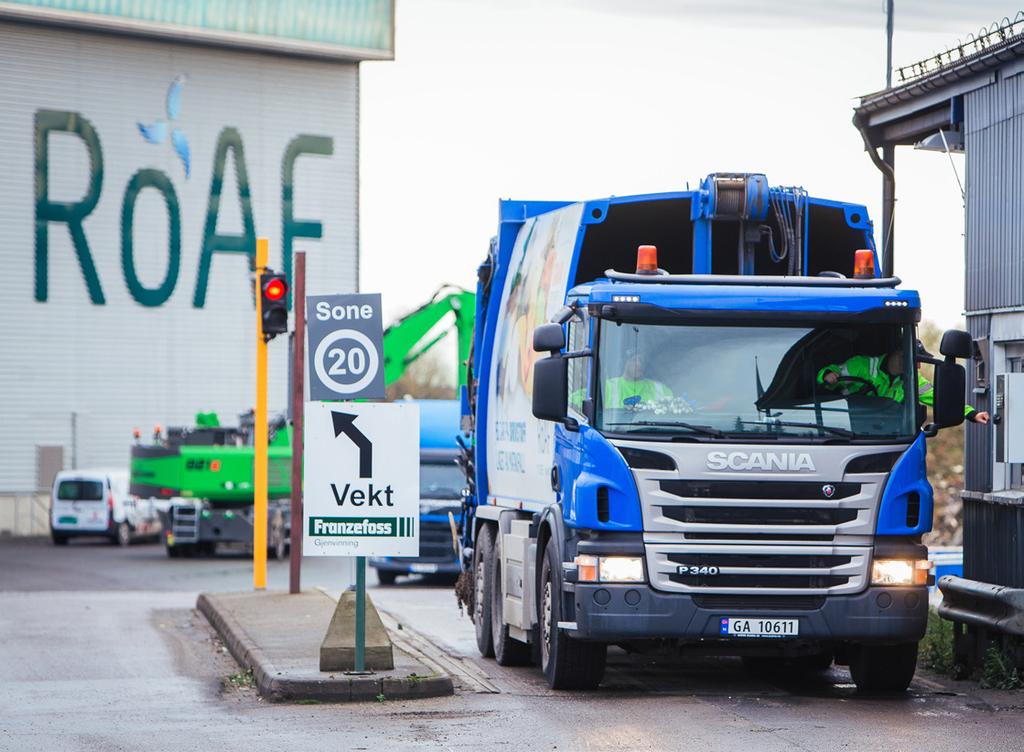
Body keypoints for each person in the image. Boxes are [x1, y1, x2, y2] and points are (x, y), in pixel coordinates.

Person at [817, 347, 990, 424]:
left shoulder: (912, 380)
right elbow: (832, 375)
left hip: (886, 434)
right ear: (899, 353)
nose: (917, 367)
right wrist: (827, 375)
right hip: (849, 427)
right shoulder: (861, 365)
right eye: (916, 361)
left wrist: (972, 413)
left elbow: (939, 399)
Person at [604, 350, 673, 408]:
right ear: (624, 363)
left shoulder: (661, 389)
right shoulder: (608, 387)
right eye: (634, 360)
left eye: (641, 361)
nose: (639, 364)